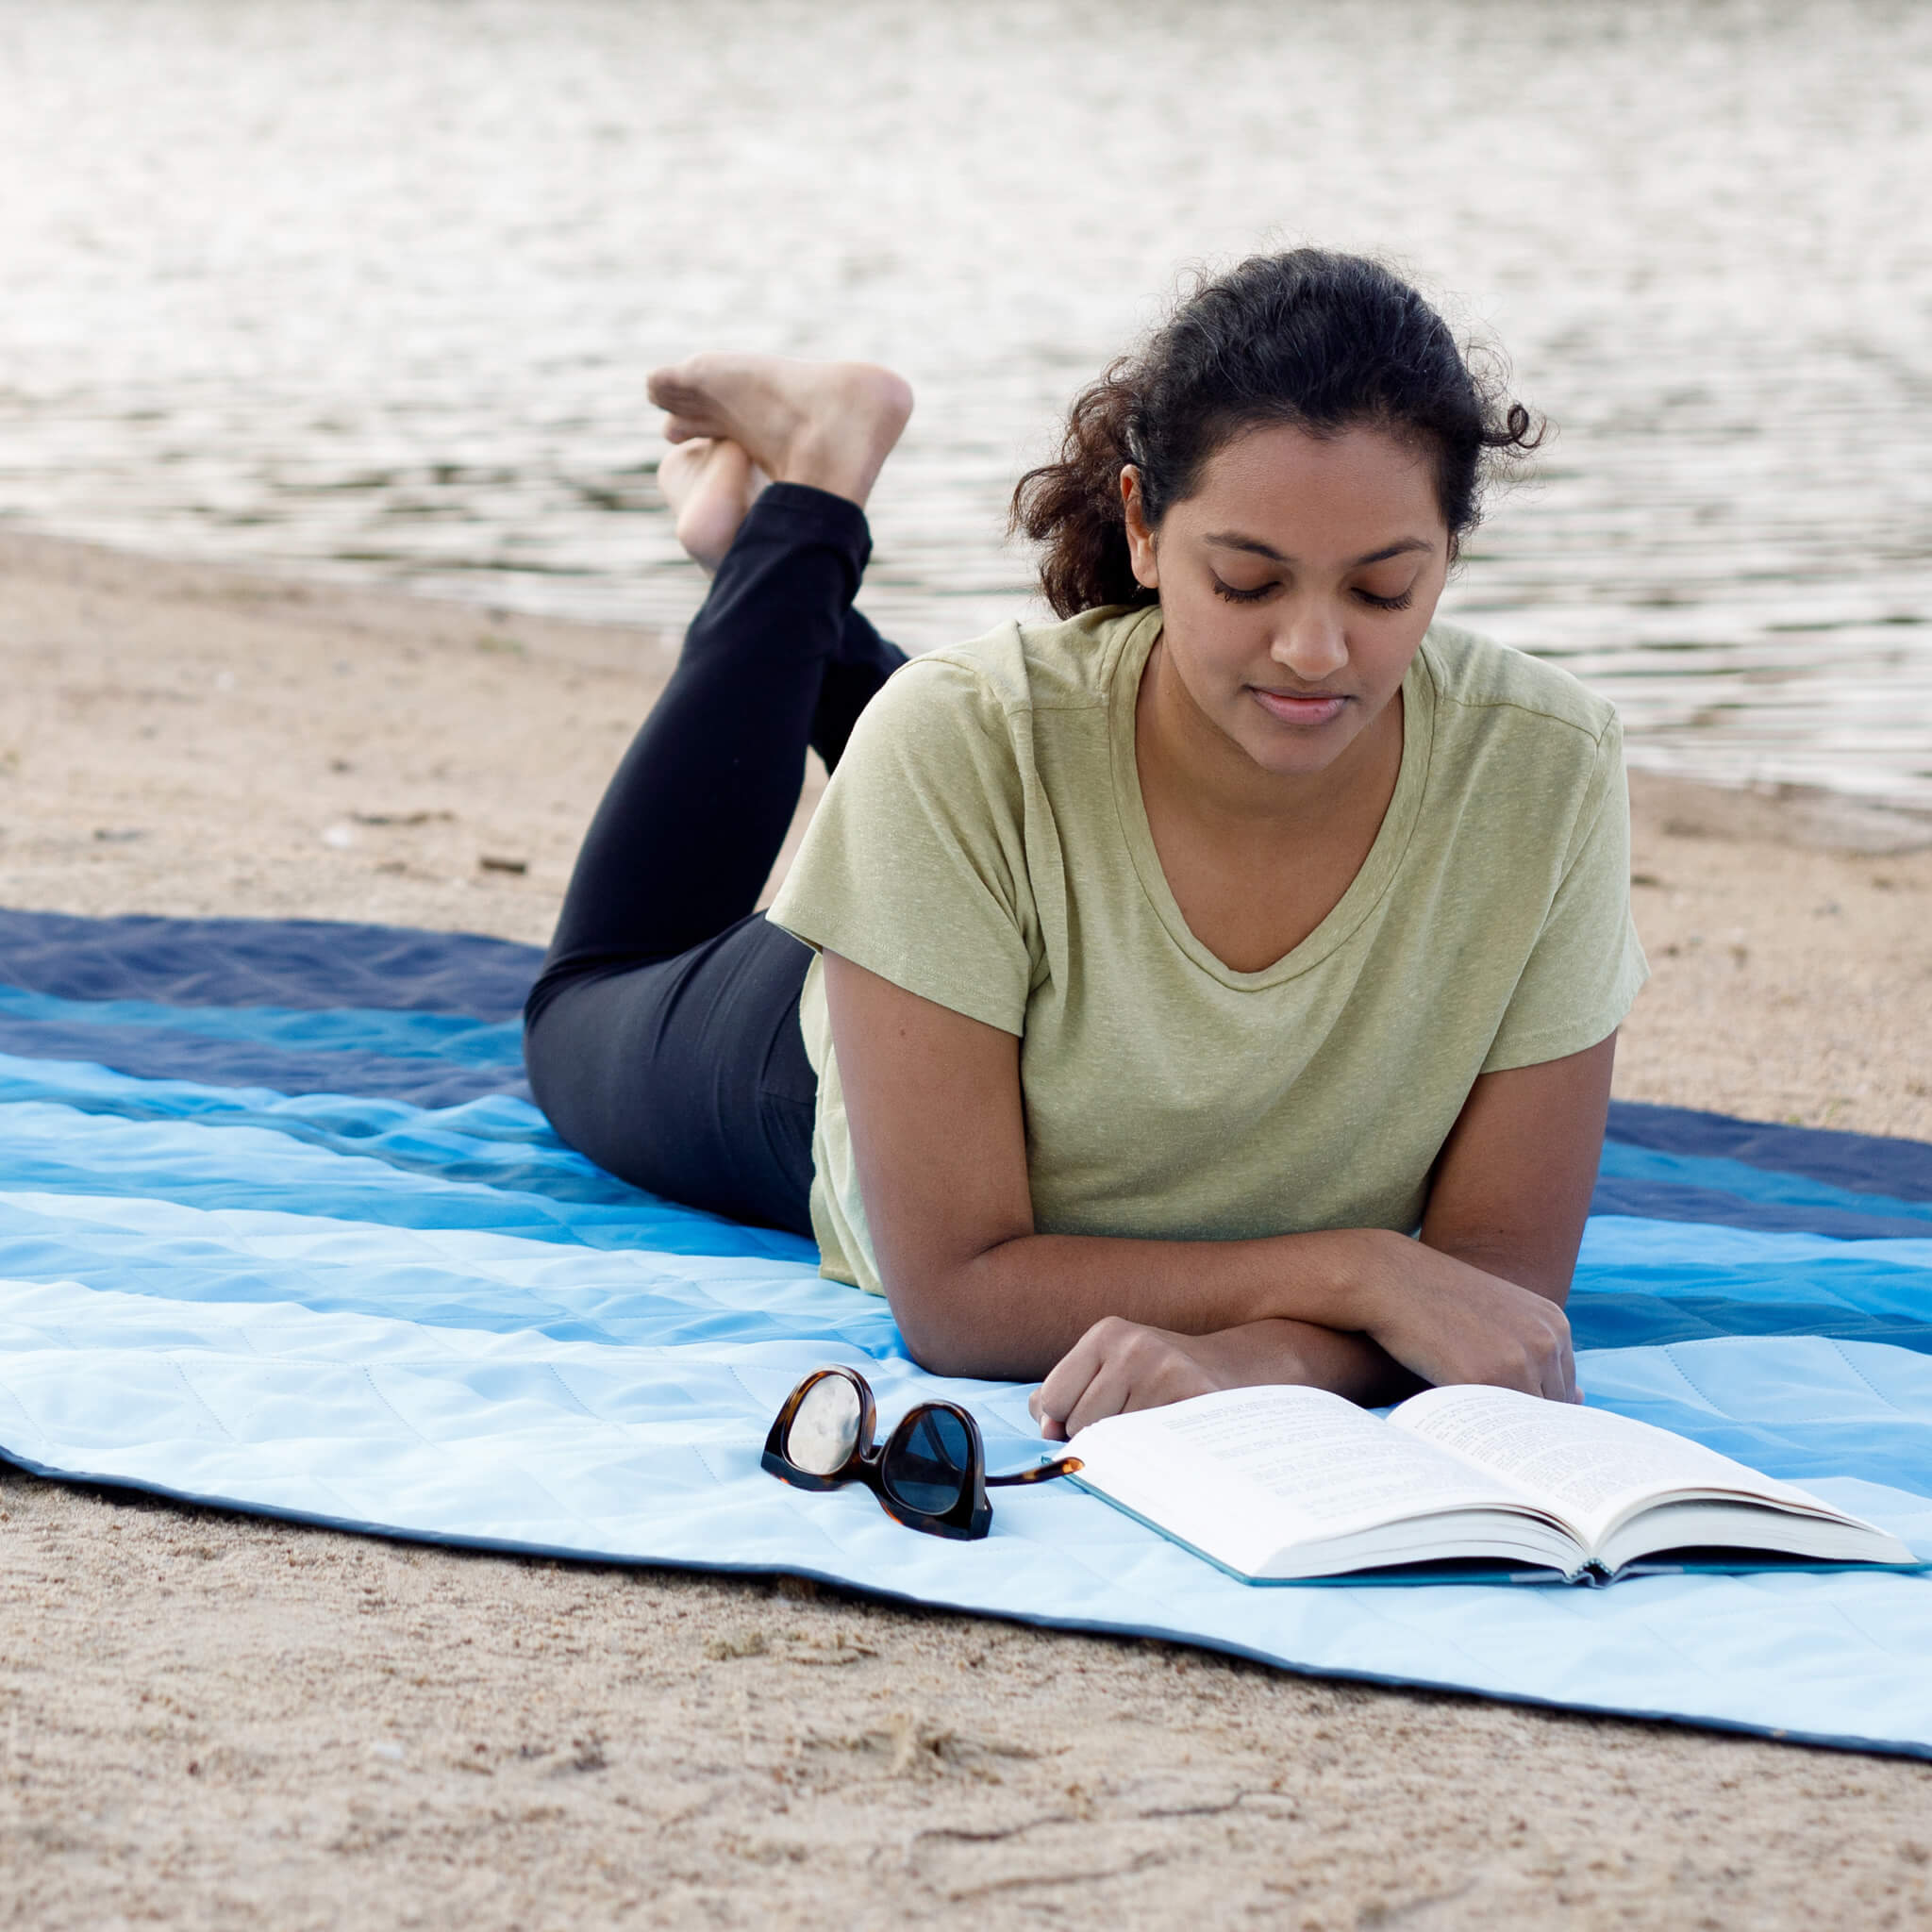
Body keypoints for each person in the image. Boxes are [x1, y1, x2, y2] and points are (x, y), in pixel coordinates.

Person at [523, 250, 1647, 1442]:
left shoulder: (1545, 764)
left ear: (1448, 559)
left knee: (992, 740)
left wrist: (1258, 1357)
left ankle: (774, 562)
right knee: (579, 1003)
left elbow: (1494, 1294)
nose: (1315, 647)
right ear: (1144, 533)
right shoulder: (959, 744)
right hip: (827, 1050)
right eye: (1247, 580)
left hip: (1021, 780)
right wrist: (1359, 1274)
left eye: (1381, 592)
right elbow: (956, 1294)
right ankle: (806, 499)